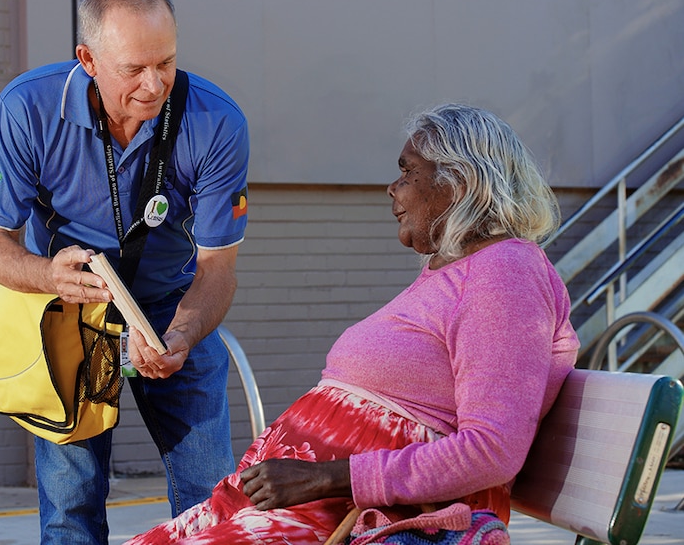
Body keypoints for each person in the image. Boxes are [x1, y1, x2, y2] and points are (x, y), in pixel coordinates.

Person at [123, 104, 580, 545]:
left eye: (407, 172)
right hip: (314, 509)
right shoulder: (461, 270)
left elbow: (491, 450)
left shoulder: (505, 272)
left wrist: (325, 477)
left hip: (374, 521)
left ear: (458, 181)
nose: (392, 188)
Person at [0, 0, 249, 543]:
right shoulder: (27, 108)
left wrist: (184, 334)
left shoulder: (218, 122)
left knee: (210, 501)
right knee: (70, 506)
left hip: (173, 308)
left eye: (166, 62)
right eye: (133, 68)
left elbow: (218, 267)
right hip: (68, 308)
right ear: (88, 59)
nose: (154, 84)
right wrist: (48, 275)